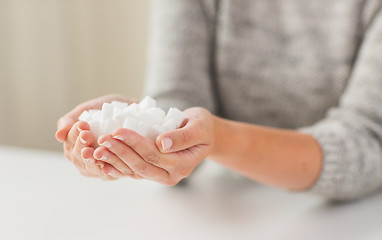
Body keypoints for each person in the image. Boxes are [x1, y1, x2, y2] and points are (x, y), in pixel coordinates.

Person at [56, 1, 382, 200]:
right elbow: (178, 97)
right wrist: (149, 132)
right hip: (218, 201)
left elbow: (368, 145)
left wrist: (219, 140)